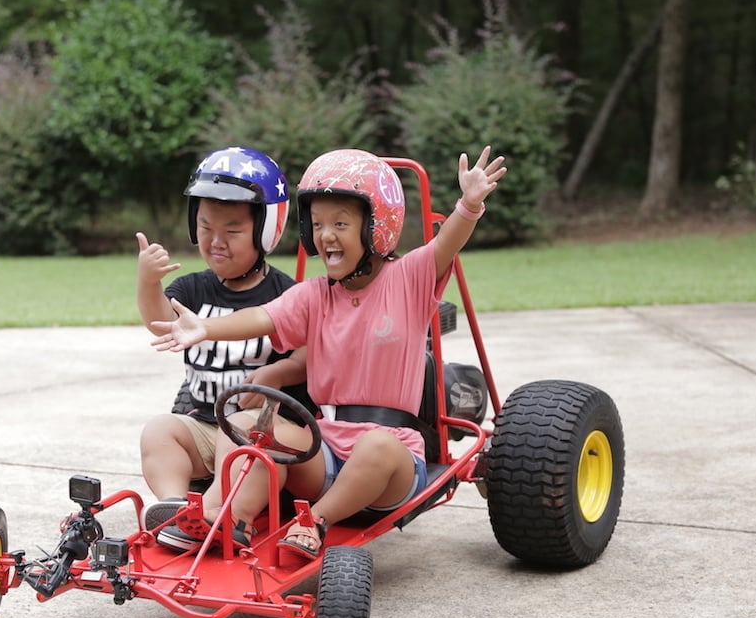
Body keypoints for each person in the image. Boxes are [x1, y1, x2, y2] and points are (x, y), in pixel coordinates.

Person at [150, 146, 506, 557]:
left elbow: (447, 244)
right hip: (325, 449)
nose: (325, 235)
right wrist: (205, 327)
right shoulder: (314, 294)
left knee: (375, 445)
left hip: (393, 457)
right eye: (317, 224)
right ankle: (222, 519)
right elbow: (262, 317)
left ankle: (315, 521)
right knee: (249, 423)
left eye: (340, 223)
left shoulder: (408, 279)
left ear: (375, 227)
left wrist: (469, 204)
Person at [135, 146, 308, 530]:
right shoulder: (194, 290)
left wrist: (277, 374)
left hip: (264, 437)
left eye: (232, 231)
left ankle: (230, 520)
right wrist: (149, 282)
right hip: (206, 425)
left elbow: (310, 356)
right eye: (206, 228)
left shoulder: (286, 295)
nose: (216, 240)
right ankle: (175, 506)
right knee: (160, 430)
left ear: (266, 230)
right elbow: (160, 321)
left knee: (246, 437)